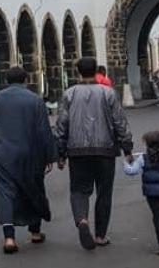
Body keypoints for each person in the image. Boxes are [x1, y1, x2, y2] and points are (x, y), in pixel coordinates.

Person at [55, 57, 134, 250]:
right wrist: (127, 148)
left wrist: (60, 152)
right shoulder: (108, 93)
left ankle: (82, 220)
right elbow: (119, 122)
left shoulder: (69, 94)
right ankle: (100, 235)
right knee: (104, 192)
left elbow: (62, 125)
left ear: (78, 71)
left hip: (77, 150)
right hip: (105, 150)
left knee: (79, 190)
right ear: (96, 71)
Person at [0, 66, 57, 254]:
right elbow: (44, 131)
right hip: (29, 152)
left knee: (4, 191)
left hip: (1, 151)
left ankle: (9, 237)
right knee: (33, 188)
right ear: (26, 80)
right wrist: (50, 155)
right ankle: (35, 231)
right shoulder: (35, 100)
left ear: (6, 80)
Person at [123, 131, 159, 255]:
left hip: (152, 193)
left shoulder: (143, 158)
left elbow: (131, 171)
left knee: (157, 215)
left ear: (146, 144)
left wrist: (126, 162)